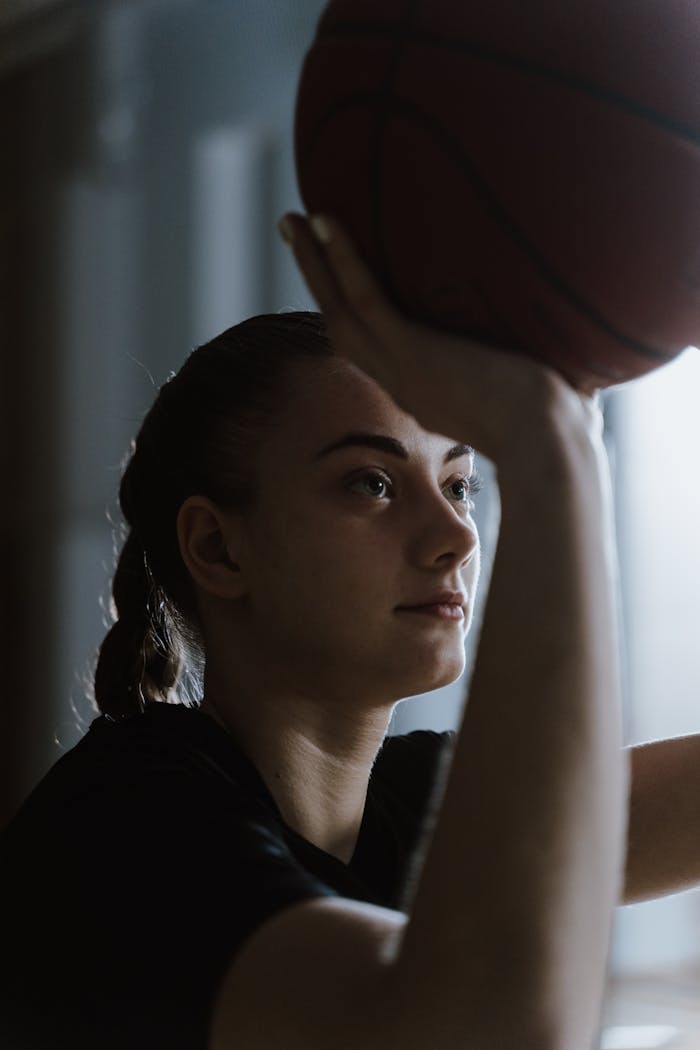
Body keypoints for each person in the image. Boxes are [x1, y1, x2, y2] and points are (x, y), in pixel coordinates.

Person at [0, 211, 629, 1050]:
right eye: (371, 483)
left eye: (460, 484)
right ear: (219, 547)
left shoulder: (404, 809)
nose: (457, 536)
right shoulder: (125, 835)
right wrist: (560, 446)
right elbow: (492, 1026)